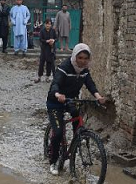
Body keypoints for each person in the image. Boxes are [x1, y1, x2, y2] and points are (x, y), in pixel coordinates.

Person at [46, 43, 106, 175]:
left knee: (78, 122)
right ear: (75, 57)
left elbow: (90, 84)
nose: (83, 61)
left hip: (72, 100)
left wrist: (98, 97)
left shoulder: (84, 70)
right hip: (56, 101)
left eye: (86, 58)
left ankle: (76, 143)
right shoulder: (65, 67)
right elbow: (55, 83)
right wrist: (57, 94)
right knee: (58, 133)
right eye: (80, 58)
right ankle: (54, 160)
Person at [35, 18, 57, 83]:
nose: (48, 25)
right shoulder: (42, 31)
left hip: (51, 49)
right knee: (41, 63)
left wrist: (53, 40)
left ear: (51, 25)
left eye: (49, 24)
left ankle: (47, 77)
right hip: (44, 49)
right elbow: (40, 39)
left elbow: (56, 38)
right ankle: (39, 76)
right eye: (47, 24)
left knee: (49, 64)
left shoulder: (53, 31)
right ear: (45, 24)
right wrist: (46, 41)